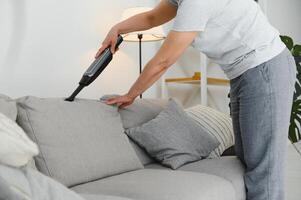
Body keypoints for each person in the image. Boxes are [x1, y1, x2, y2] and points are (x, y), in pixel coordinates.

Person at [97, 1, 296, 200]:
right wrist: (117, 28)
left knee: (263, 170)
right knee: (248, 159)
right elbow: (152, 17)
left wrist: (131, 94)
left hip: (264, 67)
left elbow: (164, 61)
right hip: (243, 73)